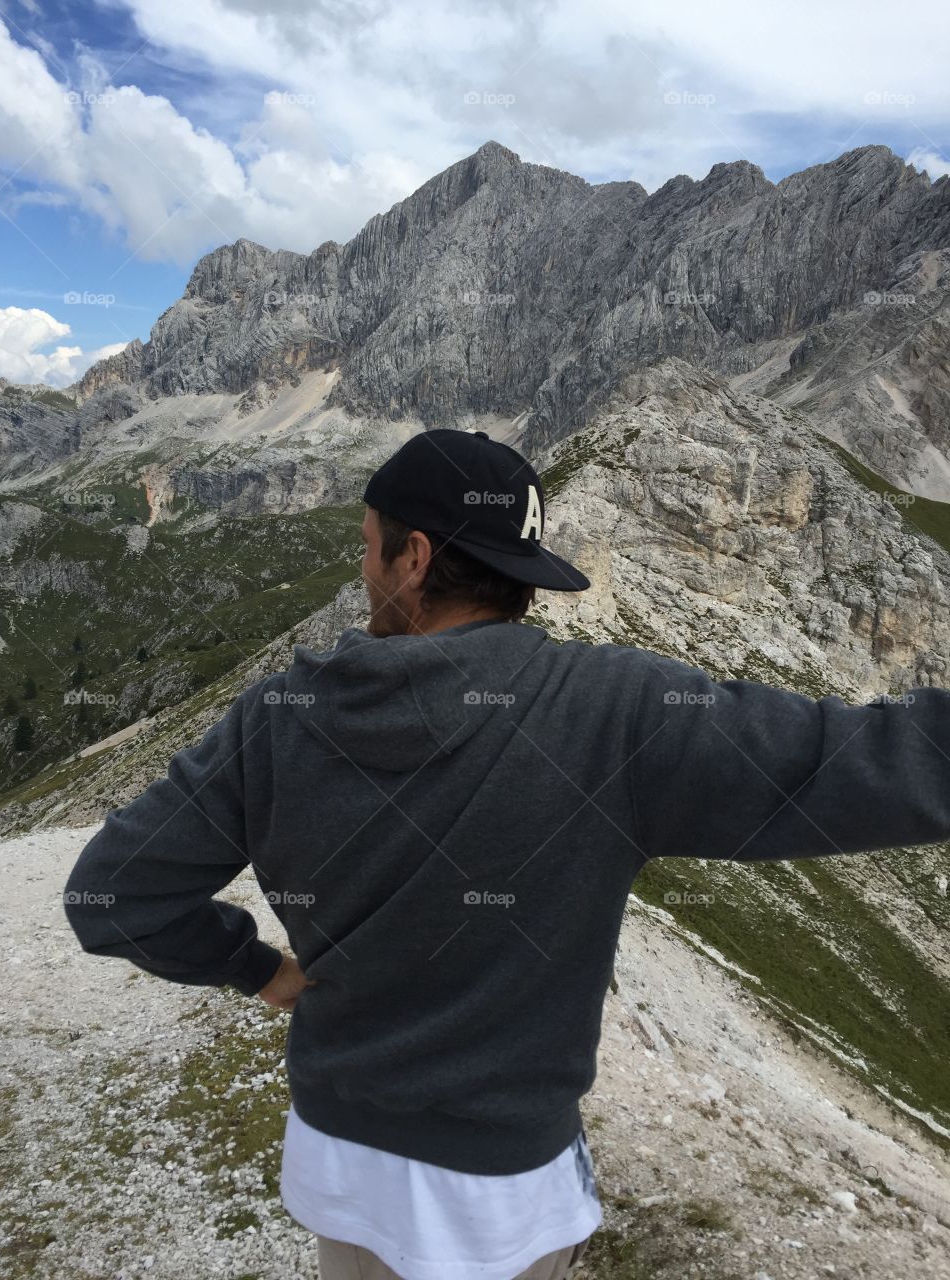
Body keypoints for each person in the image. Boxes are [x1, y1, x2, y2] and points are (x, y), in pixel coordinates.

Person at [63, 428, 950, 1280]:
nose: (361, 567)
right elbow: (860, 764)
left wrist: (258, 968)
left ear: (413, 557)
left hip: (339, 1165)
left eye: (367, 547)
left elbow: (111, 894)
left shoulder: (276, 717)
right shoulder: (613, 710)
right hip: (504, 1199)